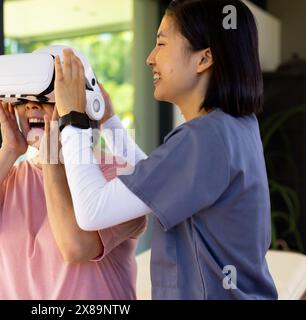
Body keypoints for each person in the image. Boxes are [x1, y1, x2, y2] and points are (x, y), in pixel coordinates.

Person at [53, 0, 278, 299]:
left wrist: (73, 120)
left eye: (161, 43)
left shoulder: (204, 138)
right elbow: (158, 183)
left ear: (204, 59)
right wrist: (108, 121)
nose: (149, 58)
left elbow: (92, 211)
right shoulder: (236, 126)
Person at [0, 97, 147, 299]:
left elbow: (77, 248)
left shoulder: (121, 174)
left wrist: (52, 159)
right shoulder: (10, 178)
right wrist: (8, 151)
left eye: (47, 98)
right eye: (22, 100)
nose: (32, 105)